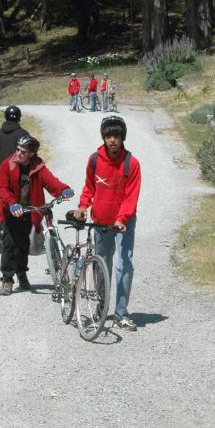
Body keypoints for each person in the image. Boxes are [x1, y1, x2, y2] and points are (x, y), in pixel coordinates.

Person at [71, 115, 141, 329]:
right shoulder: (94, 160)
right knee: (102, 266)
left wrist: (121, 219)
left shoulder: (132, 163)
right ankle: (101, 307)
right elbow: (89, 187)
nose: (112, 140)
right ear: (103, 137)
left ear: (122, 138)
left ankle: (120, 314)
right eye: (108, 135)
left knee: (124, 264)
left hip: (123, 224)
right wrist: (83, 207)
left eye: (116, 136)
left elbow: (131, 197)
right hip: (101, 222)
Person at [0, 135, 74, 296]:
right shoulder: (7, 165)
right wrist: (12, 203)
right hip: (11, 210)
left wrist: (63, 189)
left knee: (23, 245)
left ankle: (21, 273)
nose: (18, 153)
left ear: (31, 154)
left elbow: (51, 181)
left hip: (30, 211)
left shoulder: (38, 167)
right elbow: (2, 188)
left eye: (23, 151)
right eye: (17, 149)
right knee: (10, 243)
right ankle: (7, 279)